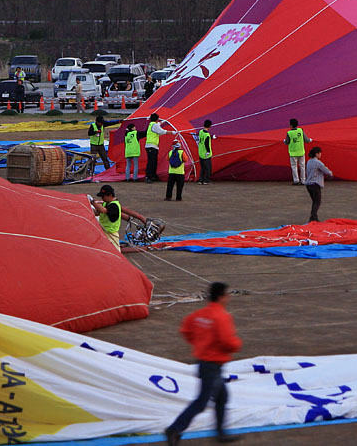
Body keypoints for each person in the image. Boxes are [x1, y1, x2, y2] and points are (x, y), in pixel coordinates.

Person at [165, 282, 242, 445]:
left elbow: (186, 330)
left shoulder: (200, 314)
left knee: (222, 398)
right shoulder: (222, 316)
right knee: (201, 402)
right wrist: (236, 344)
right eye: (227, 295)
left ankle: (221, 434)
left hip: (205, 363)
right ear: (221, 297)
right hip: (212, 365)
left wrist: (199, 344)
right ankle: (174, 429)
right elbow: (227, 342)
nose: (229, 298)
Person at [89, 184, 147, 251]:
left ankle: (141, 249)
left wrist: (92, 202)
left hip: (111, 234)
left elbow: (103, 210)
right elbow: (97, 212)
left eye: (103, 196)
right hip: (104, 232)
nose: (102, 198)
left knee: (115, 252)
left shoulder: (114, 205)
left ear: (110, 195)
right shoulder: (106, 203)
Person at [304, 146, 333, 222]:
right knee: (317, 202)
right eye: (320, 153)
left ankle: (314, 217)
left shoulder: (309, 162)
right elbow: (326, 170)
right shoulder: (318, 163)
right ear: (317, 154)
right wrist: (330, 174)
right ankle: (313, 217)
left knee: (314, 201)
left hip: (308, 184)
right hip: (315, 184)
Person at [144, 113, 172, 183]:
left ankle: (153, 175)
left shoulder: (151, 124)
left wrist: (162, 122)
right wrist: (172, 132)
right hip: (151, 146)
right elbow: (161, 131)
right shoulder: (154, 125)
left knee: (153, 161)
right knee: (151, 162)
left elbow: (158, 125)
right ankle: (148, 176)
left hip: (152, 146)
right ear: (157, 119)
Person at [284, 118, 312, 185]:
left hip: (293, 152)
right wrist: (310, 140)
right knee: (302, 166)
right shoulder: (300, 130)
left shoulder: (289, 133)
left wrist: (284, 141)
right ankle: (303, 180)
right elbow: (306, 140)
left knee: (294, 166)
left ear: (291, 125)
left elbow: (287, 142)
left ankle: (296, 180)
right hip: (301, 151)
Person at [195, 120, 214, 185]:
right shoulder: (207, 135)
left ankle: (200, 180)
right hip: (206, 154)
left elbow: (203, 138)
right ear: (210, 126)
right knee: (208, 168)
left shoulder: (201, 131)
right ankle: (206, 180)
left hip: (200, 152)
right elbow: (206, 143)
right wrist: (208, 151)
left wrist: (211, 137)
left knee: (202, 168)